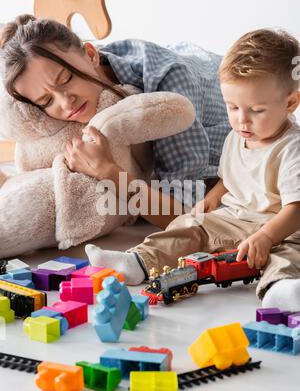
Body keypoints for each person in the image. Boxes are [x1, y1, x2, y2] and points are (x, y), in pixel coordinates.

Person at [85, 29, 300, 312]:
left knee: (289, 253)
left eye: (256, 110)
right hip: (235, 219)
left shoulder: (291, 147)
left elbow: (295, 208)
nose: (241, 120)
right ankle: (139, 262)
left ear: (290, 103)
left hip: (282, 226)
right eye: (232, 107)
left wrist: (266, 236)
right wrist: (211, 200)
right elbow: (230, 179)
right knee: (188, 225)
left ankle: (280, 288)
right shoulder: (237, 136)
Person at [0, 14, 230, 228]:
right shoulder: (64, 105)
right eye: (47, 100)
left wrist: (108, 172)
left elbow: (186, 217)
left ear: (91, 54)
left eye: (67, 78)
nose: (66, 102)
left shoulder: (169, 91)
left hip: (215, 78)